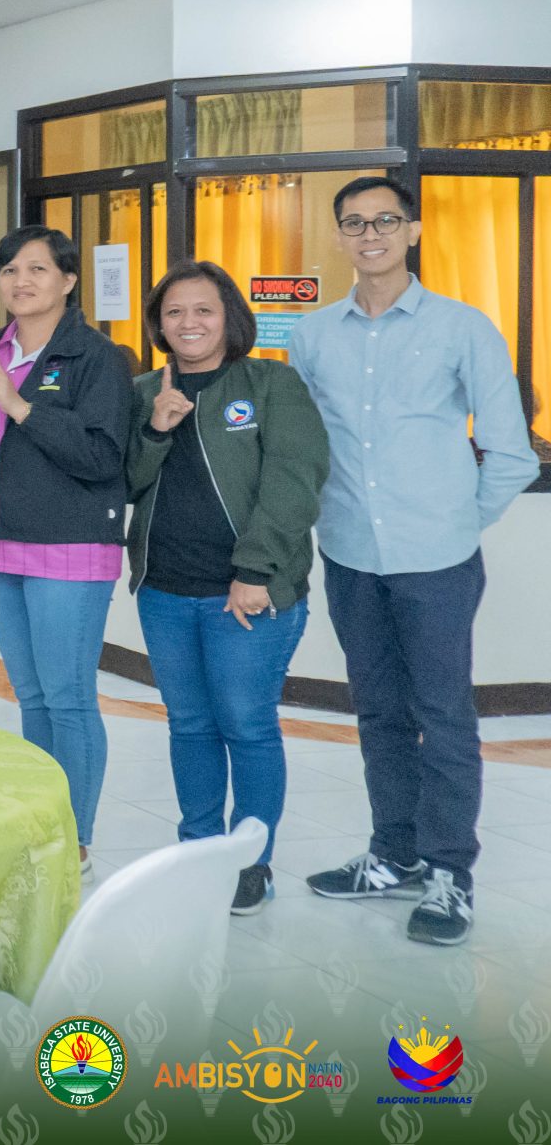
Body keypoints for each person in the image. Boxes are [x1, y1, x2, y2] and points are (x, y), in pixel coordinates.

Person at [289, 175, 537, 945]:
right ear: (339, 235)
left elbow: (510, 451)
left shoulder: (463, 327)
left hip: (438, 559)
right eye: (355, 222)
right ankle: (393, 854)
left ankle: (449, 872)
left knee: (443, 712)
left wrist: (457, 522)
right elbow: (304, 445)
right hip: (351, 553)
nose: (371, 234)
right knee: (378, 712)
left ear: (414, 229)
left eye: (385, 220)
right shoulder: (312, 336)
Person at [126, 261, 329, 915]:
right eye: (174, 312)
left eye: (203, 309)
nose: (188, 322)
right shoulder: (143, 390)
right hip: (165, 591)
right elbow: (124, 481)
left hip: (247, 594)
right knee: (189, 726)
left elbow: (295, 480)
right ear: (159, 324)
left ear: (229, 317)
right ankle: (198, 849)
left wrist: (254, 571)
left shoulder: (271, 384)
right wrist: (155, 428)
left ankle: (249, 862)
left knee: (246, 725)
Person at [0, 225, 133, 870]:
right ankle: (41, 825)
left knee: (68, 699)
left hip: (68, 550)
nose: (20, 281)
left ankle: (74, 838)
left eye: (36, 269)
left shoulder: (98, 357)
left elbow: (102, 456)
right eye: (9, 270)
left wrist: (21, 406)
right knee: (31, 698)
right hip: (0, 552)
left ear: (68, 279)